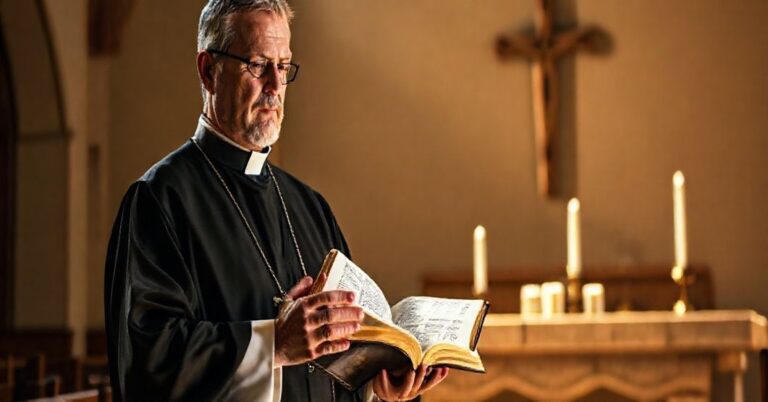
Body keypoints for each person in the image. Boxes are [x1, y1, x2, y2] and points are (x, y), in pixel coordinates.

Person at [104, 1, 448, 401]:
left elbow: (335, 366)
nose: (274, 85)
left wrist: (374, 387)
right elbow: (148, 363)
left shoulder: (310, 206)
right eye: (257, 64)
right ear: (208, 71)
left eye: (283, 67)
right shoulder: (159, 200)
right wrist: (273, 344)